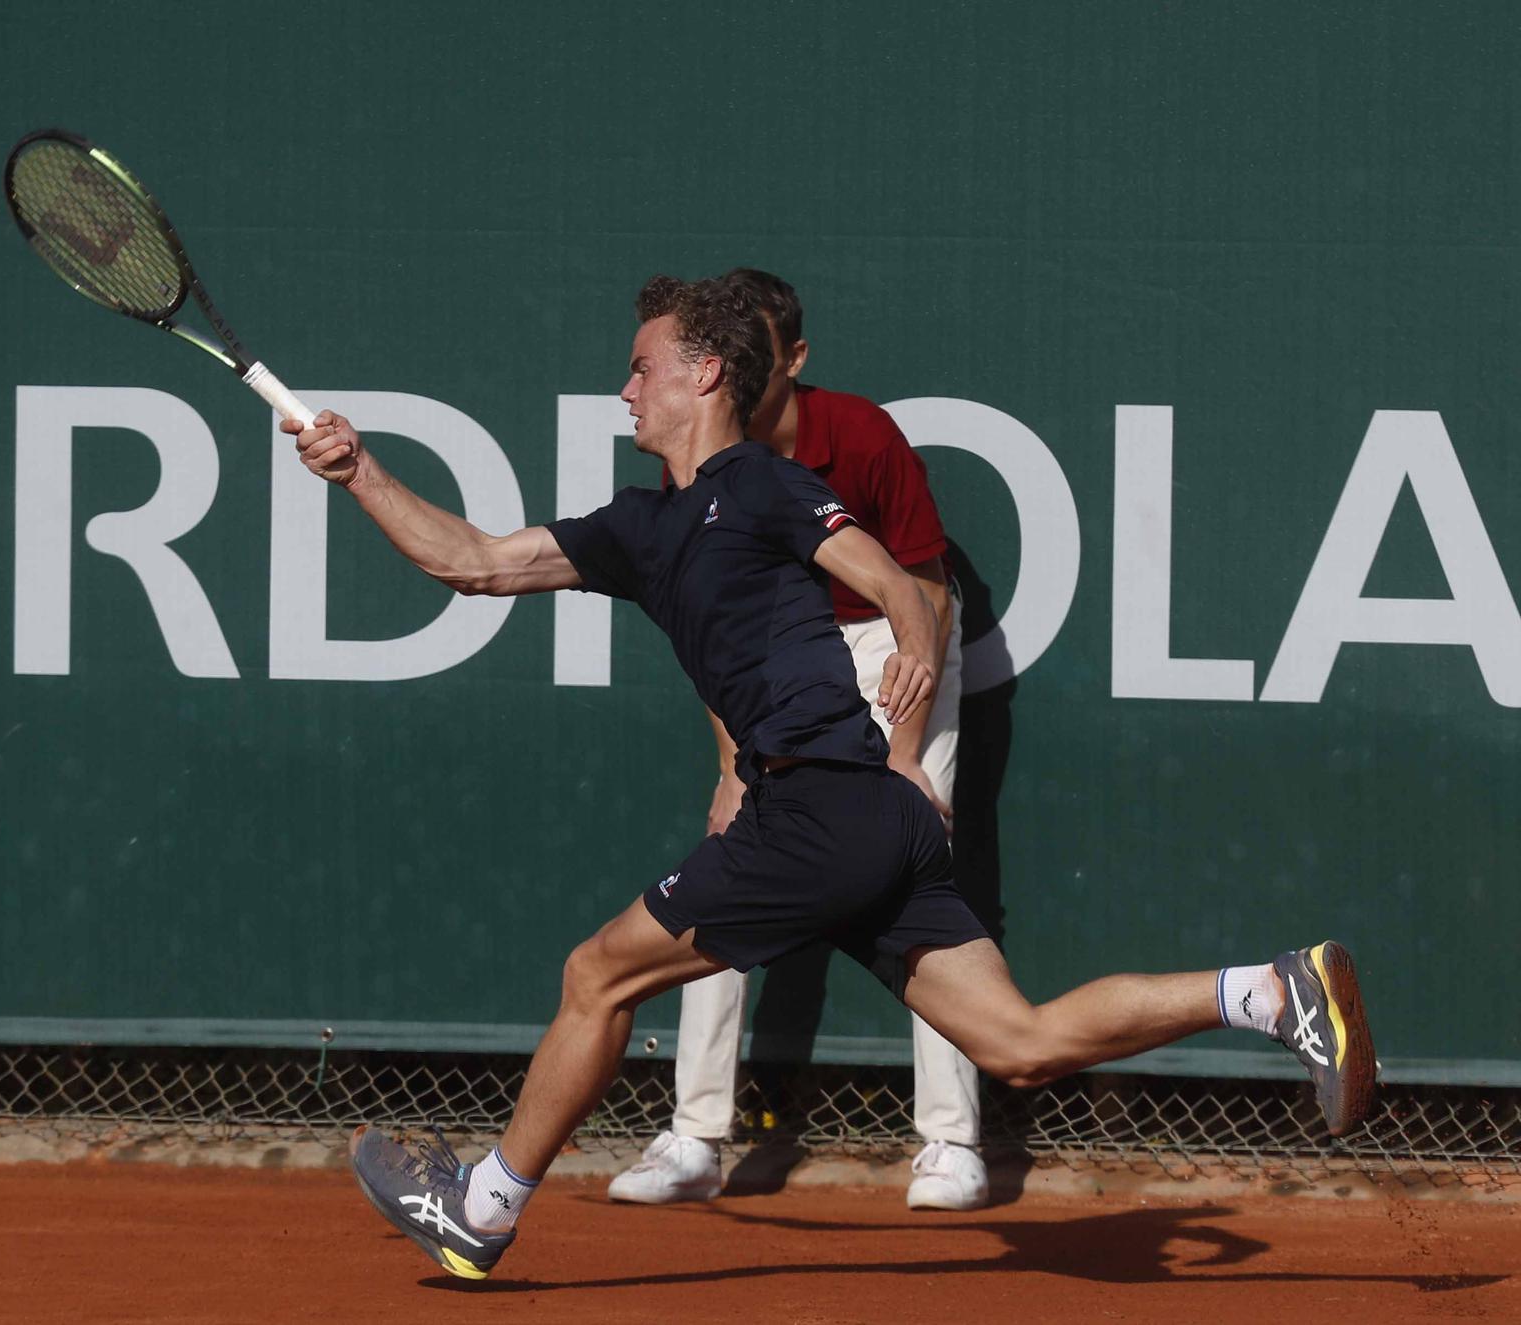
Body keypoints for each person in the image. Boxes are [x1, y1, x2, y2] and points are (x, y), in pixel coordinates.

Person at [286, 274, 1377, 1282]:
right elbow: (470, 561)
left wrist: (905, 701)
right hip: (862, 819)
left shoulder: (763, 484)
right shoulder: (641, 524)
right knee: (1022, 1042)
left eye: (641, 365)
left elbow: (900, 583)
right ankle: (1275, 989)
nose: (624, 386)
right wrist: (360, 471)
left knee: (594, 974)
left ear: (703, 373)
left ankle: (483, 1204)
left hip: (821, 804)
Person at [608, 268, 985, 1212]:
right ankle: (696, 1135)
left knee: (922, 862)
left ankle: (950, 1142)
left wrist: (902, 752)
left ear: (792, 359)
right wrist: (733, 763)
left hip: (896, 641)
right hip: (784, 662)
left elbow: (925, 595)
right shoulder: (693, 465)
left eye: (758, 357)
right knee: (722, 863)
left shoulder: (858, 433)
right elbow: (715, 630)